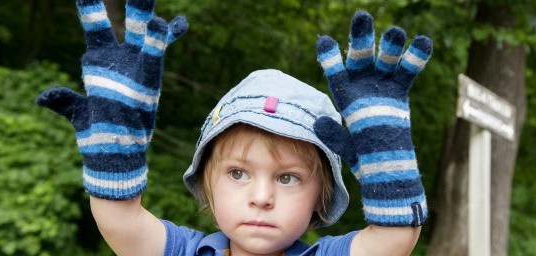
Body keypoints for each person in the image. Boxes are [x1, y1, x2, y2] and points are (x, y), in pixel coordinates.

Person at [35, 0, 433, 255]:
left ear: (322, 197)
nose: (261, 197)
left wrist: (386, 153)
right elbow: (121, 222)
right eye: (238, 173)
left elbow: (394, 239)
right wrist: (114, 149)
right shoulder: (184, 252)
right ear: (207, 182)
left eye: (289, 178)